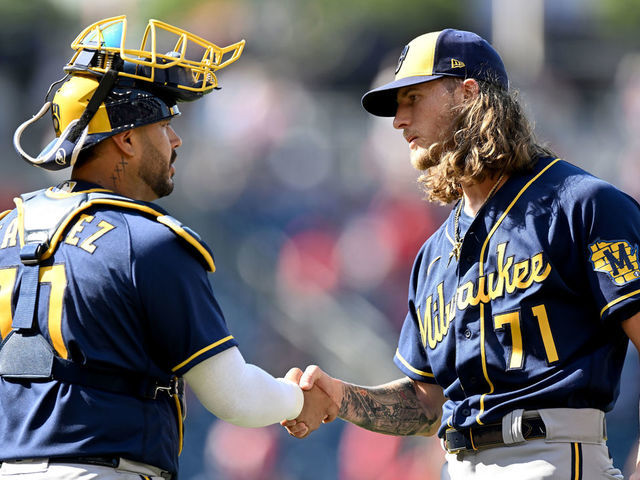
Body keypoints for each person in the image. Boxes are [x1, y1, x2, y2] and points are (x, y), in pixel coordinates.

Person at [283, 28, 640, 479]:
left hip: (551, 456)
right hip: (456, 465)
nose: (398, 120)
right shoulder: (433, 254)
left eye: (412, 98)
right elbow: (426, 405)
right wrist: (341, 398)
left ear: (468, 94)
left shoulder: (582, 205)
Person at [0, 16, 335, 480]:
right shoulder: (148, 241)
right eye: (163, 123)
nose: (176, 140)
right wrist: (302, 397)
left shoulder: (6, 230)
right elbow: (233, 395)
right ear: (127, 138)